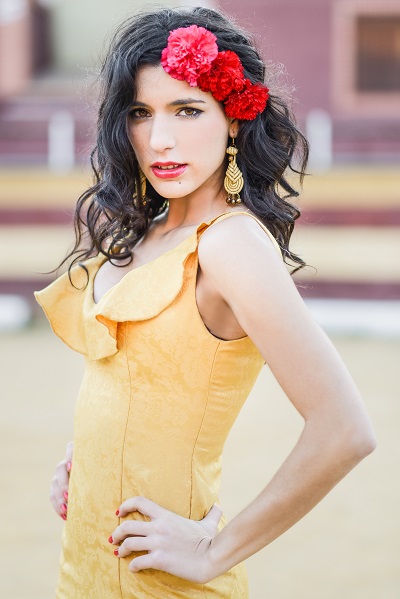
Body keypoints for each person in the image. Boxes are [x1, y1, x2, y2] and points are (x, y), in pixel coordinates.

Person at [35, 6, 376, 598]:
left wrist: (215, 550)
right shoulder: (144, 233)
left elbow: (345, 429)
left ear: (235, 120)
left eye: (187, 110)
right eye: (141, 113)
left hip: (162, 584)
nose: (160, 139)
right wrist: (93, 454)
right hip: (87, 568)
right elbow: (144, 385)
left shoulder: (232, 244)